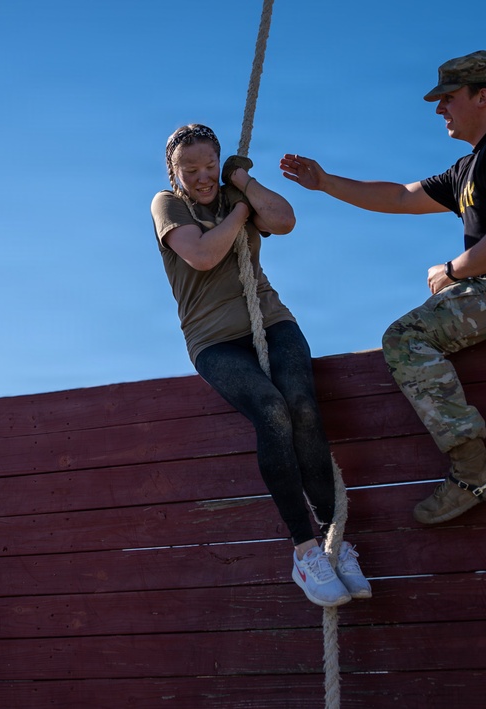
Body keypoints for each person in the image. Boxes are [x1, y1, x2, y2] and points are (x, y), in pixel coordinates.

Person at [280, 50, 486, 525]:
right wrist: (326, 182)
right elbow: (398, 196)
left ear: (482, 97)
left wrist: (454, 272)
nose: (439, 109)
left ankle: (474, 468)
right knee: (412, 330)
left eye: (448, 98)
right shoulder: (469, 167)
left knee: (406, 338)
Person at [150, 124, 371, 607]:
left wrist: (245, 184)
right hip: (214, 340)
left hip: (271, 321)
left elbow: (286, 220)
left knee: (303, 409)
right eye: (192, 170)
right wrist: (241, 212)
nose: (204, 177)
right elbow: (204, 256)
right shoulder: (167, 204)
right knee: (271, 410)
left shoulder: (234, 190)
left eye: (211, 165)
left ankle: (336, 544)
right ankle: (306, 551)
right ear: (174, 172)